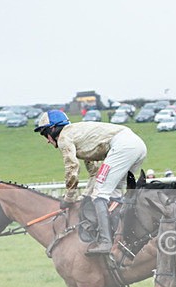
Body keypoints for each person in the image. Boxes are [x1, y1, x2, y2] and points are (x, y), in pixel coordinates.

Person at [33, 109, 147, 254]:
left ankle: (106, 242)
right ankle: (122, 234)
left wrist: (69, 198)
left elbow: (72, 168)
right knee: (114, 193)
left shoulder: (64, 138)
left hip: (122, 146)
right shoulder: (79, 135)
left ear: (53, 129)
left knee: (100, 194)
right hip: (136, 144)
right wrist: (85, 195)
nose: (47, 141)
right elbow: (94, 172)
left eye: (44, 134)